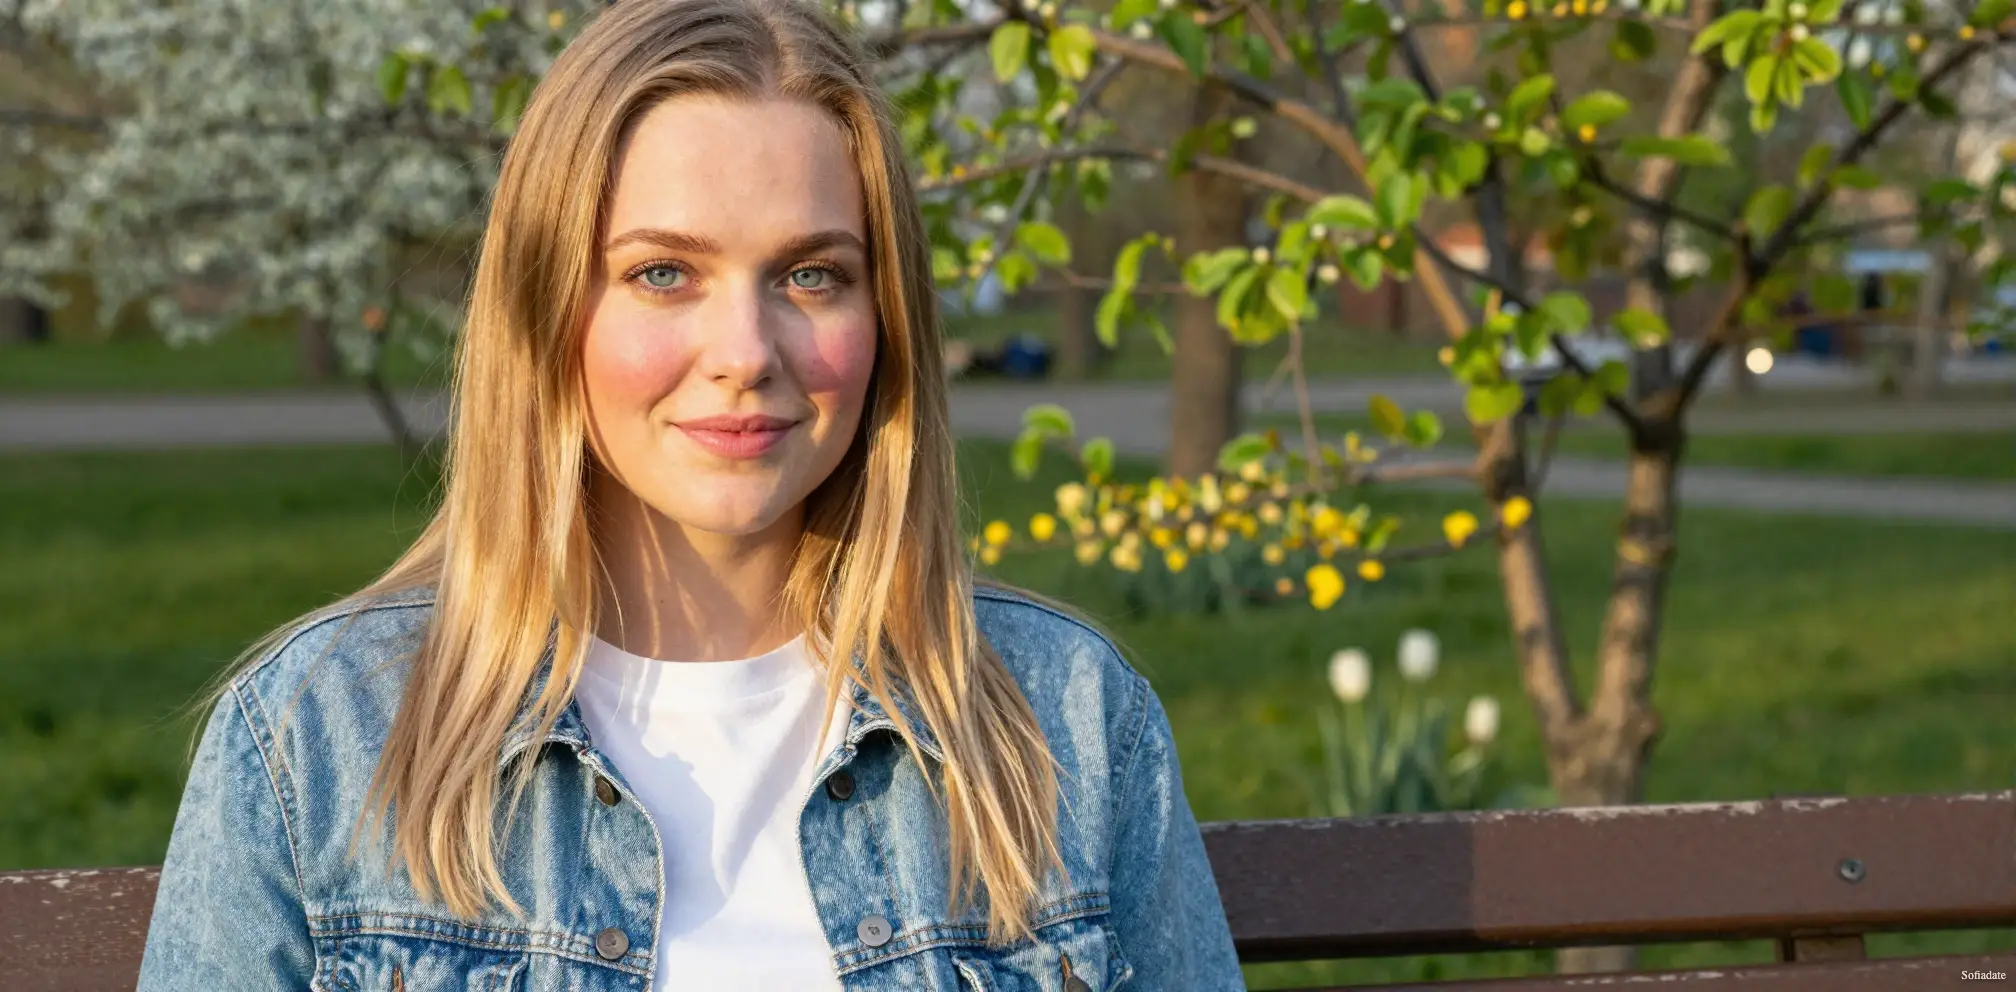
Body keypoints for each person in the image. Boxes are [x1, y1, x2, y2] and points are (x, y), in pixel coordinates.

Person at [135, 0, 1243, 989]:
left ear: (886, 315)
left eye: (812, 274)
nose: (745, 350)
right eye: (663, 272)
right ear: (546, 307)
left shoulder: (1069, 725)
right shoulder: (316, 742)